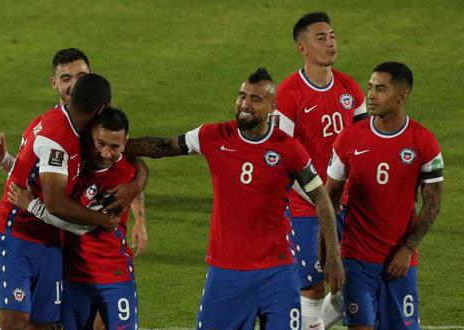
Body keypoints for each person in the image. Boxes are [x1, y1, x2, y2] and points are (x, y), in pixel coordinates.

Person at [124, 68, 344, 329]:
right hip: (227, 269)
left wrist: (332, 255)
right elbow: (161, 147)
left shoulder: (288, 148)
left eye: (255, 99)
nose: (244, 105)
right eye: (242, 96)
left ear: (273, 107)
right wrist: (115, 144)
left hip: (278, 269)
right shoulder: (212, 136)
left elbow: (321, 197)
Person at [0, 74, 140, 330]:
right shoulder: (58, 136)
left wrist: (136, 185)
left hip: (51, 241)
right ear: (101, 108)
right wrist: (103, 220)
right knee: (14, 323)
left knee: (43, 325)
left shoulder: (81, 132)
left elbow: (133, 154)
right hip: (17, 233)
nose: (105, 151)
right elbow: (56, 203)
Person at [325, 62, 443, 330]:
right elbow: (328, 199)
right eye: (370, 88)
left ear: (401, 96)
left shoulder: (423, 141)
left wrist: (407, 249)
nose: (371, 95)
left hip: (399, 263)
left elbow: (433, 203)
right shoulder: (349, 138)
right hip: (355, 259)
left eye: (381, 89)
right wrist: (330, 252)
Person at [275, 12, 368, 329]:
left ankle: (321, 319)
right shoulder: (288, 95)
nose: (330, 42)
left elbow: (365, 142)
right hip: (306, 205)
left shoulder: (350, 88)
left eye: (332, 36)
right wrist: (317, 197)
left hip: (347, 202)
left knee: (352, 281)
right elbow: (281, 156)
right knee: (312, 284)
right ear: (302, 47)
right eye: (321, 38)